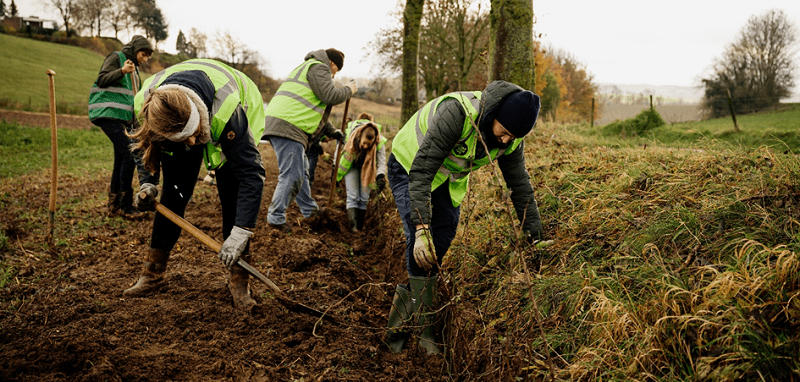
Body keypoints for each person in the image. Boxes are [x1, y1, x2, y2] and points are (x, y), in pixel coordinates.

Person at [384, 80, 544, 354]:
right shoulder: (458, 114)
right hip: (410, 166)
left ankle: (407, 313)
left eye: (513, 137)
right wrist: (422, 228)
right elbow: (422, 170)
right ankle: (419, 332)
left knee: (440, 243)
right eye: (503, 132)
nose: (505, 140)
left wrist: (536, 236)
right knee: (419, 244)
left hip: (447, 181)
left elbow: (520, 185)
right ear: (494, 115)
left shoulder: (511, 139)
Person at [121, 58, 266, 313]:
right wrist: (148, 182)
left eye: (194, 134)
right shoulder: (148, 104)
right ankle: (153, 272)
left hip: (240, 111)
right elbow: (144, 144)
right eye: (183, 138)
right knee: (174, 194)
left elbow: (251, 175)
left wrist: (242, 231)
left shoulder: (227, 111)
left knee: (232, 197)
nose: (191, 142)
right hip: (183, 118)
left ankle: (239, 281)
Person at [262, 48, 356, 231]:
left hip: (286, 122)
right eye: (336, 70)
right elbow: (329, 96)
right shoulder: (319, 68)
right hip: (289, 126)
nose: (334, 74)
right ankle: (276, 217)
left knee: (302, 172)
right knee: (293, 174)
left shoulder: (309, 68)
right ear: (331, 63)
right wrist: (348, 90)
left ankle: (310, 211)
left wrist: (332, 131)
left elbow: (312, 106)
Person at [88, 35, 158, 219]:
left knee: (121, 157)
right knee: (128, 155)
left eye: (147, 56)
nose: (145, 59)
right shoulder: (117, 57)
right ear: (136, 50)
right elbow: (102, 79)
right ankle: (125, 206)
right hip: (107, 113)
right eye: (144, 54)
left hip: (121, 118)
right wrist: (121, 71)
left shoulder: (134, 71)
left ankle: (114, 205)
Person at [335, 113, 387, 231]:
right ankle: (353, 227)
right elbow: (338, 152)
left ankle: (360, 226)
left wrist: (380, 176)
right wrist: (335, 169)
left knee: (364, 198)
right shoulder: (351, 136)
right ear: (360, 137)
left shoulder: (379, 142)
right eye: (363, 143)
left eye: (369, 144)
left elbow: (381, 161)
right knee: (353, 195)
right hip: (351, 165)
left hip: (368, 167)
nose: (365, 146)